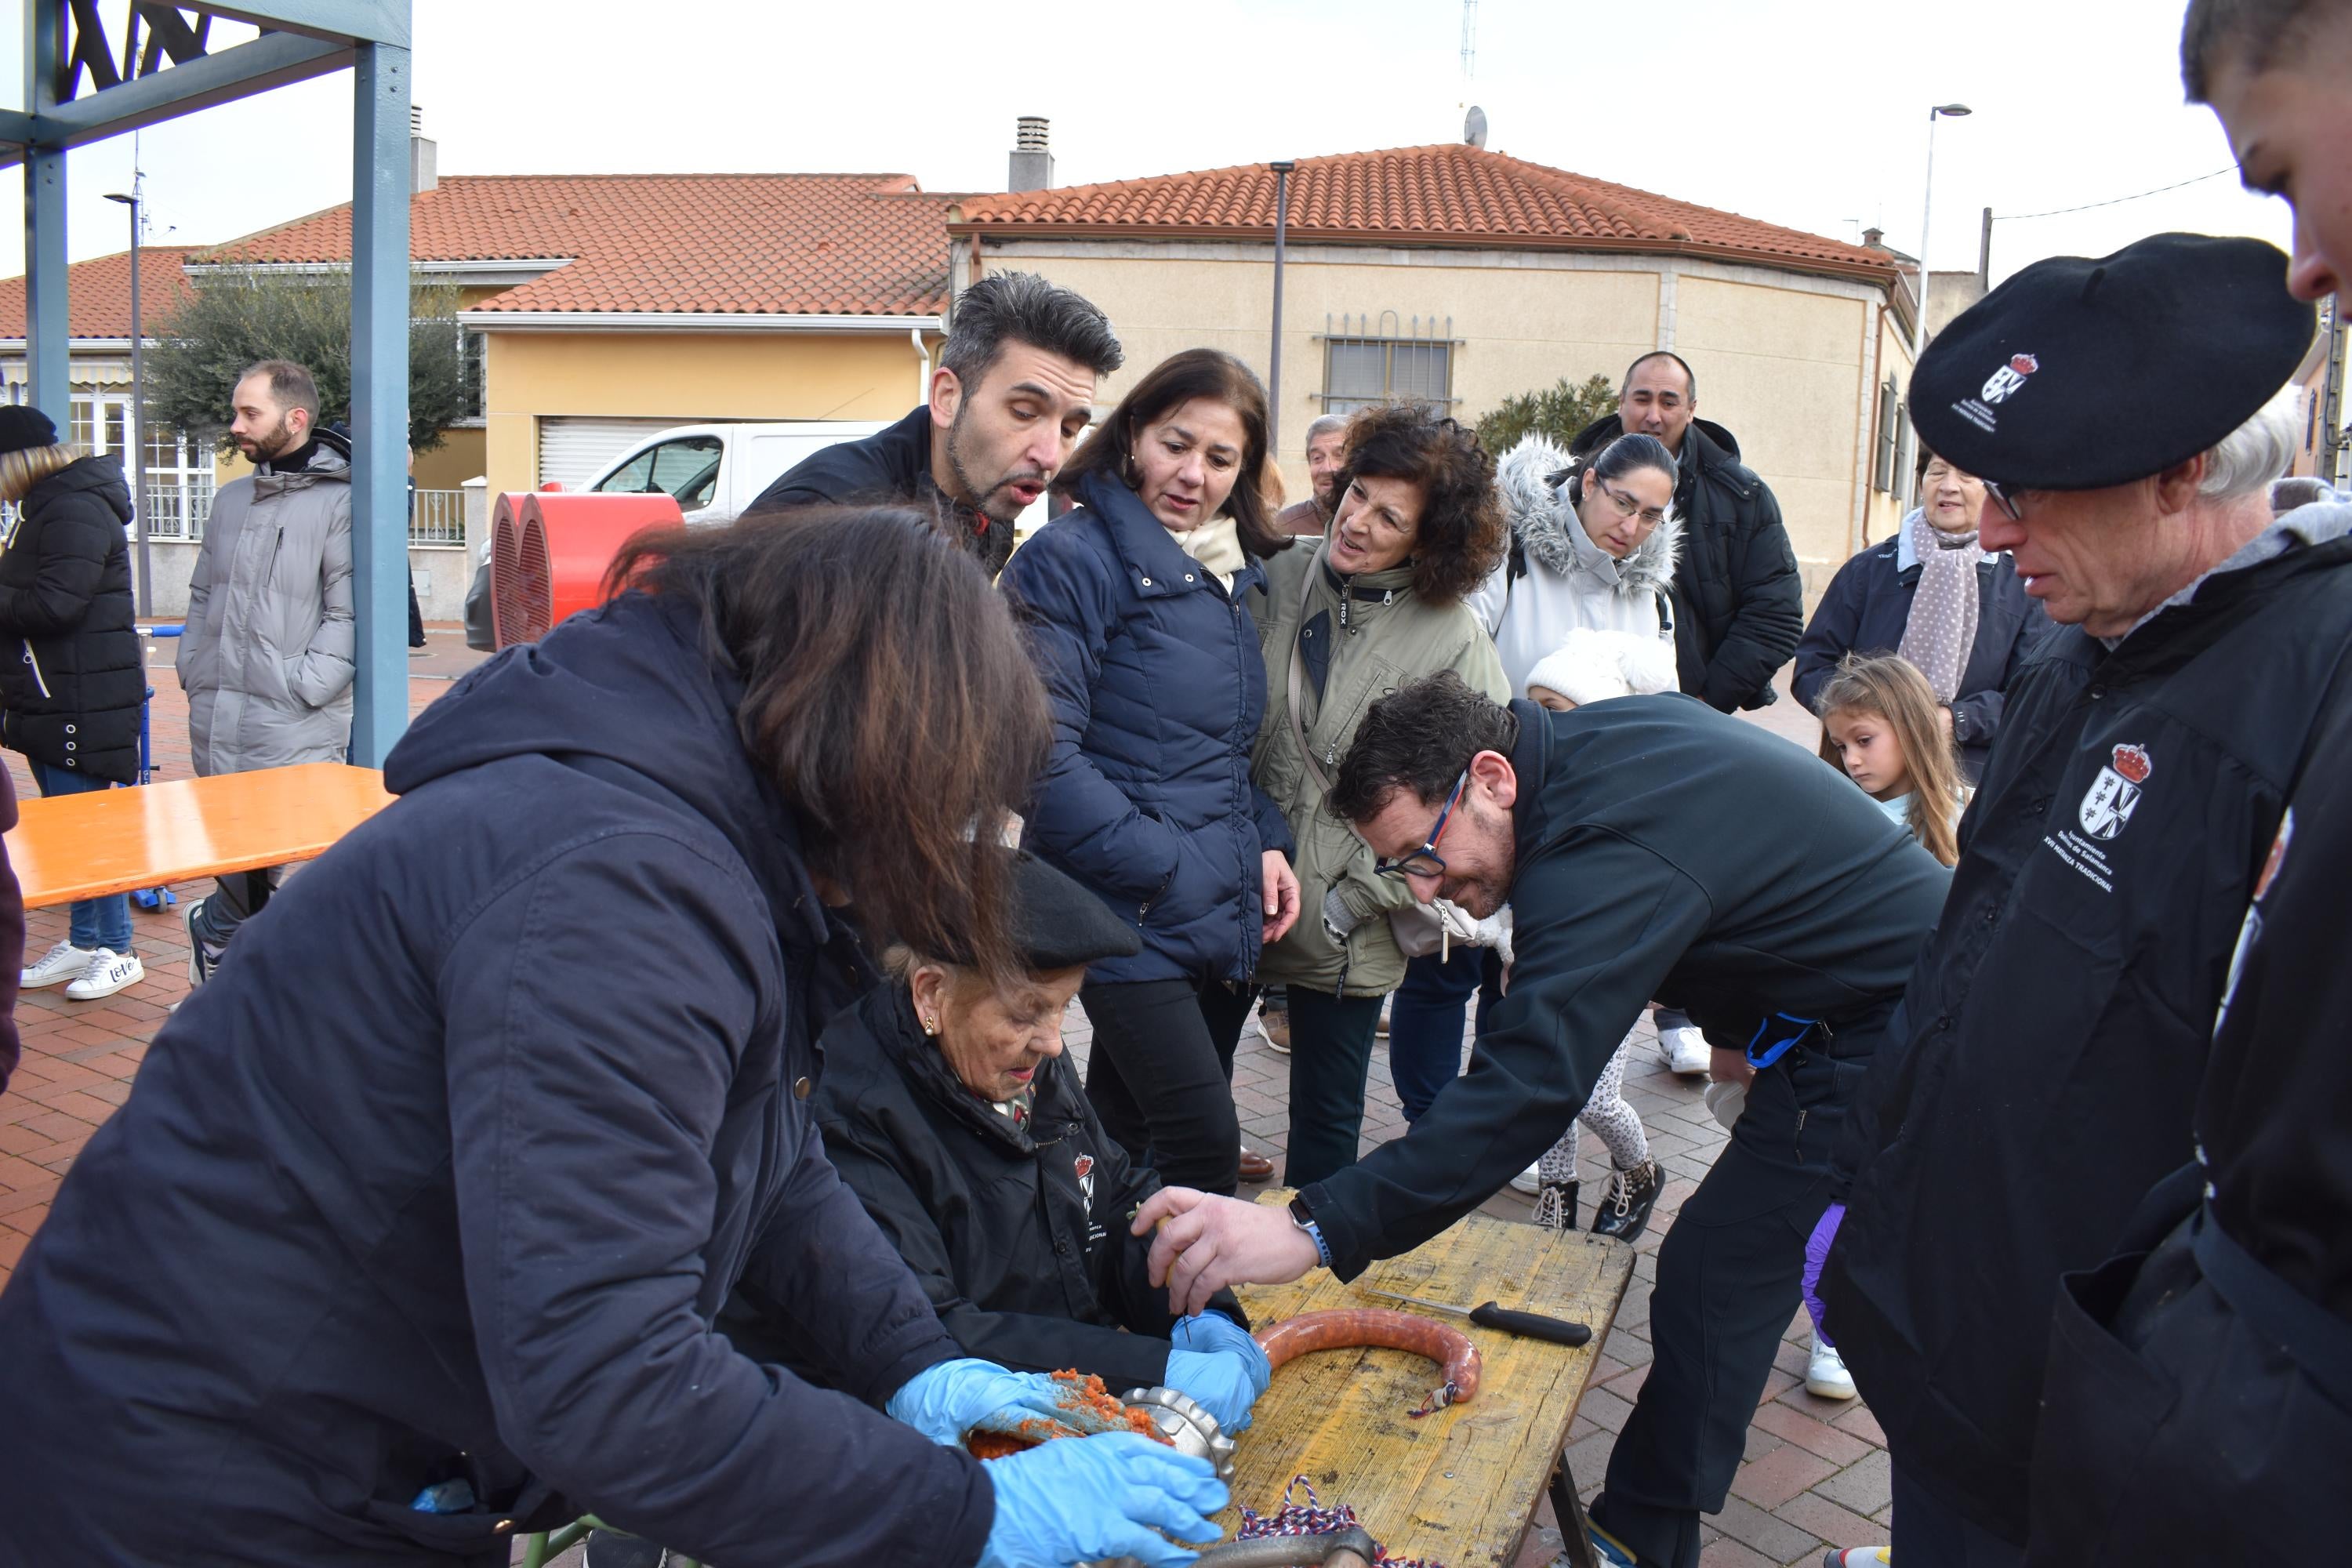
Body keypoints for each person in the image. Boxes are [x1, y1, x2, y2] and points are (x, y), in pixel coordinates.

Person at [0, 511, 1227, 1568]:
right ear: (872, 755)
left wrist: (912, 1359)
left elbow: (767, 1148)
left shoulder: (690, 832)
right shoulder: (618, 886)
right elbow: (608, 1379)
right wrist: (954, 1515)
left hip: (323, 1442)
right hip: (201, 1474)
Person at [1133, 670, 1951, 1568]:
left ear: (1491, 776)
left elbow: (1524, 1087)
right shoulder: (1590, 757)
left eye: (1424, 854)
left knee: (1754, 1281)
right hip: (1852, 1020)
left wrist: (1312, 1226)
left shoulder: (1598, 846)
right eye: (1402, 867)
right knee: (1750, 1276)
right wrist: (1741, 1025)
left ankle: (1671, 1539)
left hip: (1910, 1031)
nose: (1426, 890)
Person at [1809, 233, 2345, 1568]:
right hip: (1956, 1358)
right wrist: (1879, 1200)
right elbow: (1974, 957)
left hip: (2117, 1427)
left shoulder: (2316, 696)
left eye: (2029, 494)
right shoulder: (2084, 642)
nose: (1991, 531)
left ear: (2178, 470)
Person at [2015, 10, 2352, 1560]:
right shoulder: (2083, 656)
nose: (2301, 267)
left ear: (2171, 470)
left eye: (2282, 175)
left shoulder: (2293, 667)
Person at [805, 849, 1270, 1435]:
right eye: (1029, 1012)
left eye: (1064, 1008)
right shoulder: (853, 1115)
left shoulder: (1015, 1058)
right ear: (931, 995)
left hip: (1081, 1397)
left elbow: (1115, 1190)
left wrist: (1201, 1308)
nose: (1053, 1042)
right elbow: (929, 1324)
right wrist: (1154, 1367)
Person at [998, 348, 1301, 1203]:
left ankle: (1104, 1305)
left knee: (1119, 1141)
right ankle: (1196, 1332)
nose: (1191, 475)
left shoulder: (1225, 574)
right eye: (1177, 444)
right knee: (1205, 1146)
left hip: (1195, 904)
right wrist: (1163, 864)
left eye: (1220, 458)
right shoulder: (1074, 558)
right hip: (1130, 910)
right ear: (1134, 434)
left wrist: (1266, 843)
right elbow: (1037, 754)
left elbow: (1211, 752)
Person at [1248, 403, 1508, 1190]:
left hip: (1342, 926)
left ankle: (1303, 1296)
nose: (1355, 521)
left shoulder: (1454, 635)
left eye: (1388, 515)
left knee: (1325, 1129)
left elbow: (1476, 810)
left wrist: (1354, 900)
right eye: (1356, 492)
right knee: (1178, 1101)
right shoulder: (1273, 574)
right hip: (1233, 888)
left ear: (1430, 541)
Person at [748, 271, 1123, 572]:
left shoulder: (986, 500)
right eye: (1023, 413)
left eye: (1069, 429)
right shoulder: (825, 520)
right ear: (947, 398)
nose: (1049, 456)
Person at [179, 359, 354, 982]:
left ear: (296, 418)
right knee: (232, 853)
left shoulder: (341, 503)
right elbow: (203, 595)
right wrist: (194, 665)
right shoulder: (231, 500)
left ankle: (227, 955)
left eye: (250, 413)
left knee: (288, 852)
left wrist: (305, 685)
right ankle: (226, 978)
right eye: (236, 412)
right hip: (217, 706)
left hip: (291, 714)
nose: (237, 425)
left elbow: (348, 609)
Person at [0, 406, 146, 1000]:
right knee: (69, 829)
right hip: (57, 694)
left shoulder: (73, 508)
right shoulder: (49, 506)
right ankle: (87, 940)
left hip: (77, 697)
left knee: (87, 829)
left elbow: (56, 605)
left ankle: (118, 948)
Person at [1794, 445, 2044, 783]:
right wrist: (1864, 718)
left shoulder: (2020, 585)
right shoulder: (1870, 571)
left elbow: (2033, 694)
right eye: (1937, 472)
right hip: (1858, 780)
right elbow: (1812, 667)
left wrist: (1955, 720)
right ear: (1921, 482)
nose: (1948, 486)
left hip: (1963, 779)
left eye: (1966, 475)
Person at [1570, 352, 1802, 713]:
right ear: (1621, 402)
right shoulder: (1567, 482)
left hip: (1690, 710)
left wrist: (1703, 706)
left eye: (1669, 402)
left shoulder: (1742, 497)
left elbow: (1775, 616)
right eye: (1642, 399)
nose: (1653, 416)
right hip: (1571, 700)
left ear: (1691, 410)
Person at [1814, 653, 1965, 867]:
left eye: (1864, 741)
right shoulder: (1840, 817)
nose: (1851, 760)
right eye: (1841, 747)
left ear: (1912, 729)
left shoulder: (1966, 812)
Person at [1274, 412, 1350, 536]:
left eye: (1339, 456)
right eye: (1318, 458)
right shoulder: (1284, 527)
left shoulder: (1375, 526)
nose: (1328, 468)